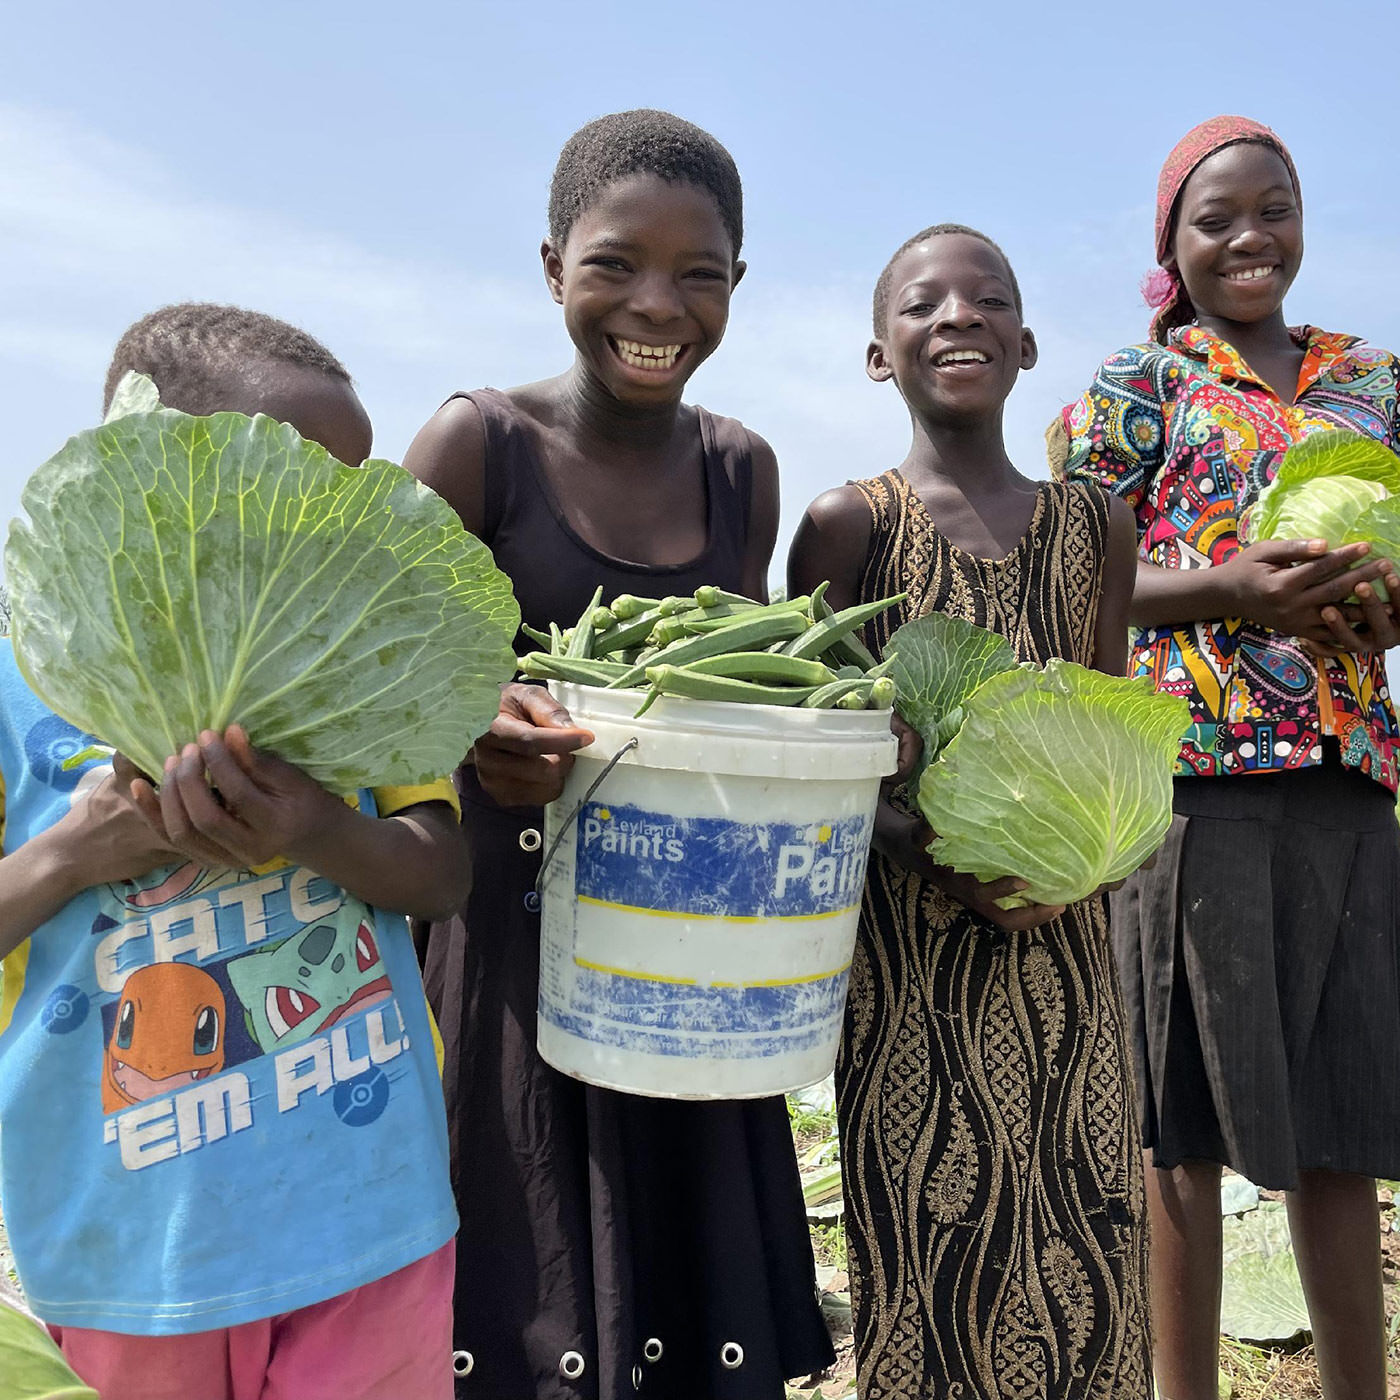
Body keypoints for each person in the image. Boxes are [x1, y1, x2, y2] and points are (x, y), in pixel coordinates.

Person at [404, 109, 834, 1400]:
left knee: (679, 1324)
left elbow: (727, 712)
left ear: (737, 288)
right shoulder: (476, 446)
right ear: (552, 270)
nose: (658, 303)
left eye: (698, 274)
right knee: (520, 1315)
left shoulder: (739, 472)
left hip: (682, 958)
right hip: (508, 955)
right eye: (614, 264)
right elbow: (372, 673)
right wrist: (475, 720)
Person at [0, 303, 466, 1400]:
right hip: (130, 1246)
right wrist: (75, 849)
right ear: (151, 470)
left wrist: (319, 826)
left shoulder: (368, 660)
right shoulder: (25, 667)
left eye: (346, 496)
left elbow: (440, 872)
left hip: (370, 1213)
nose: (328, 532)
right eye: (291, 490)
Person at [1059, 115, 1400, 1400]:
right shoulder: (1135, 384)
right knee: (1175, 1125)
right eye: (1216, 218)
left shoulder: (1372, 376)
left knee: (1342, 1116)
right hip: (1188, 776)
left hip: (1342, 773)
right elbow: (1081, 570)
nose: (1250, 235)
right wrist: (1223, 591)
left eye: (1274, 207)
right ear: (1171, 247)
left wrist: (1382, 609)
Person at [787, 224, 1150, 1398]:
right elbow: (816, 755)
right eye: (921, 303)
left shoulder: (1095, 524)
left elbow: (1112, 724)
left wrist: (1079, 866)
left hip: (1072, 958)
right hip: (906, 962)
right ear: (876, 355)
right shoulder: (848, 525)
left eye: (987, 298)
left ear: (1027, 341)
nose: (957, 316)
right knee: (927, 1250)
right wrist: (926, 852)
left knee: (1086, 1244)